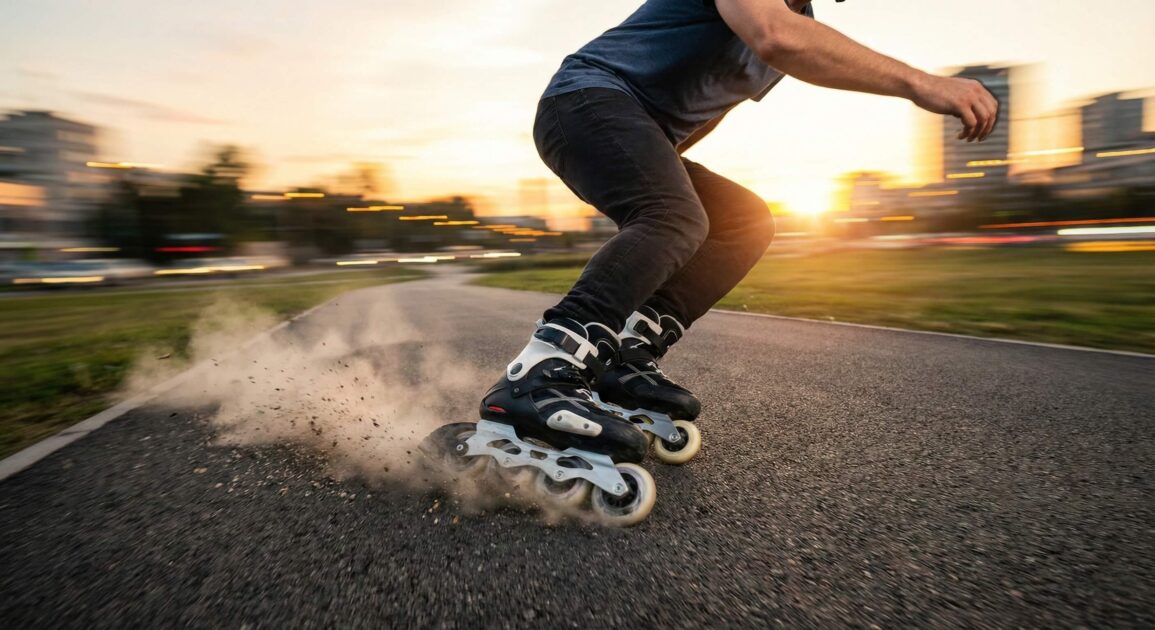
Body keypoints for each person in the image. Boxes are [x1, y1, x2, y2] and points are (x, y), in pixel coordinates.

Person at [480, 0, 1000, 463]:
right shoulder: (780, 24)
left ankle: (622, 358)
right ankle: (539, 372)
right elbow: (775, 35)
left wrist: (657, 159)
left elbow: (711, 104)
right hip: (586, 101)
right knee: (675, 216)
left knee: (743, 221)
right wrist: (923, 83)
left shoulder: (799, 23)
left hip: (635, 126)